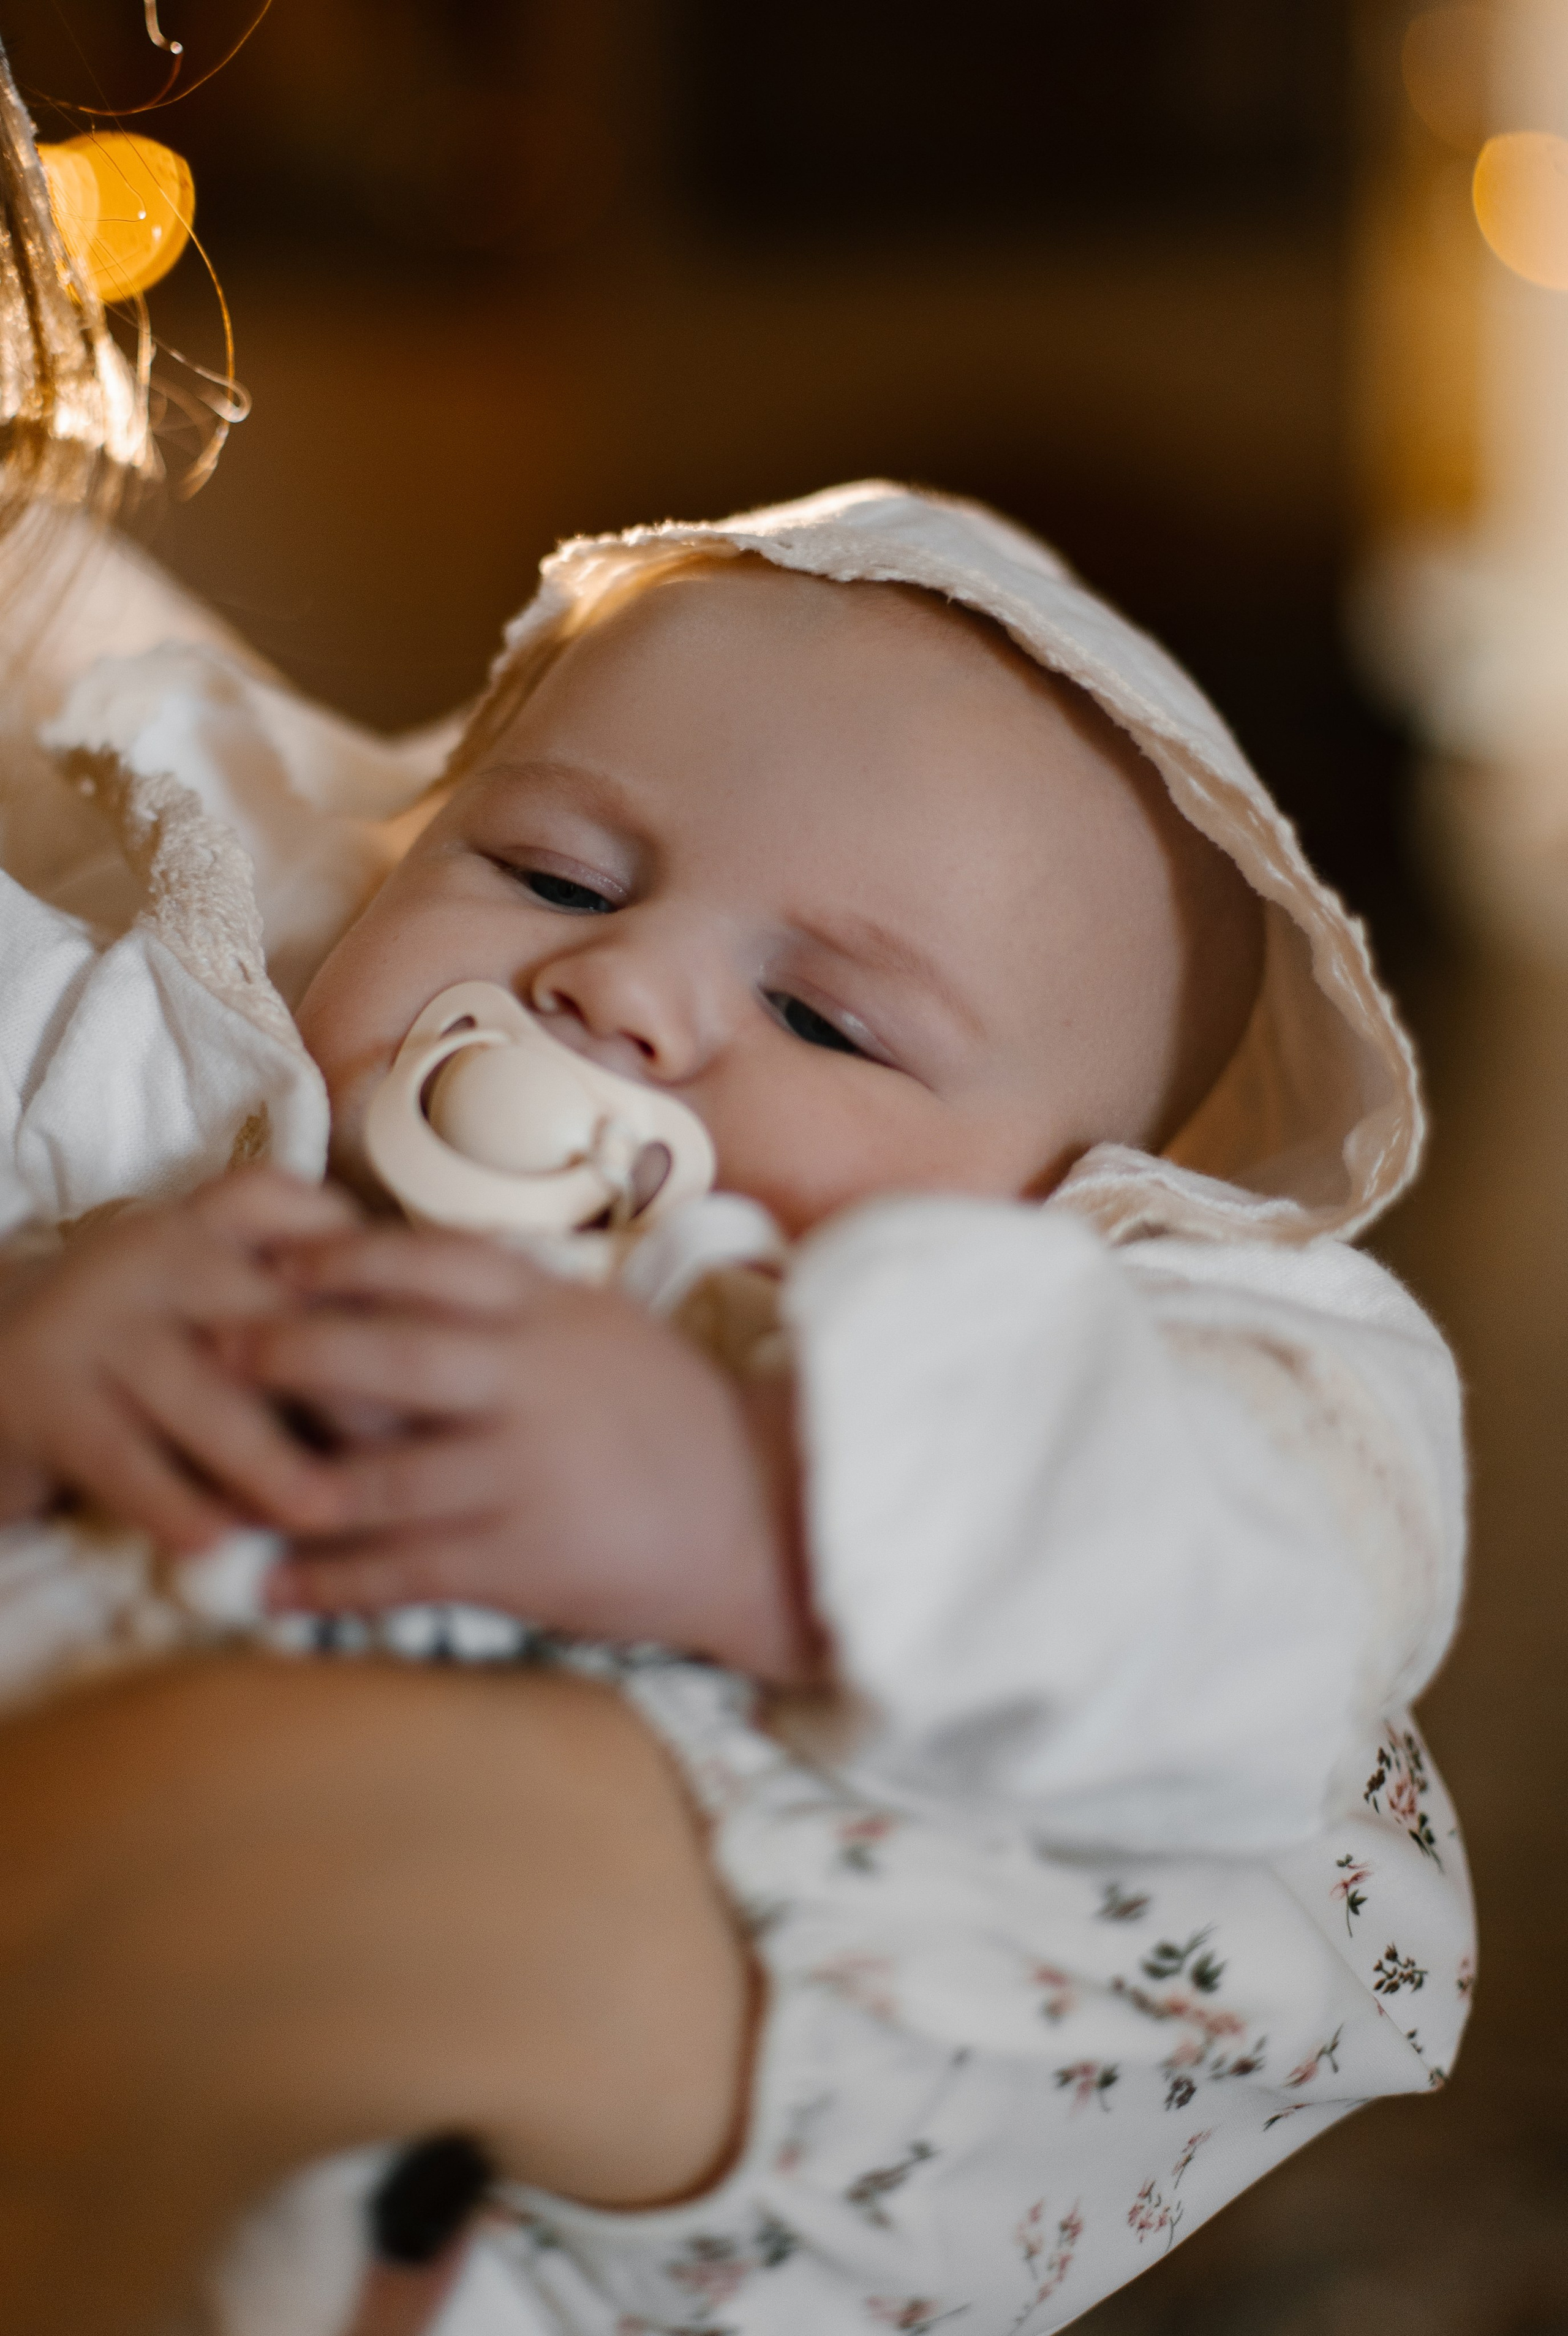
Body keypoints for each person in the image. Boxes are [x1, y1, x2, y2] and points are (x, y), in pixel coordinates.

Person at [0, 483, 1472, 2335]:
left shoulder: (998, 1380)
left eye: (829, 1025)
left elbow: (1285, 1575)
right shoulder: (138, 1085)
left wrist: (780, 1507)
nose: (620, 989)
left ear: (1065, 1218)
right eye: (551, 875)